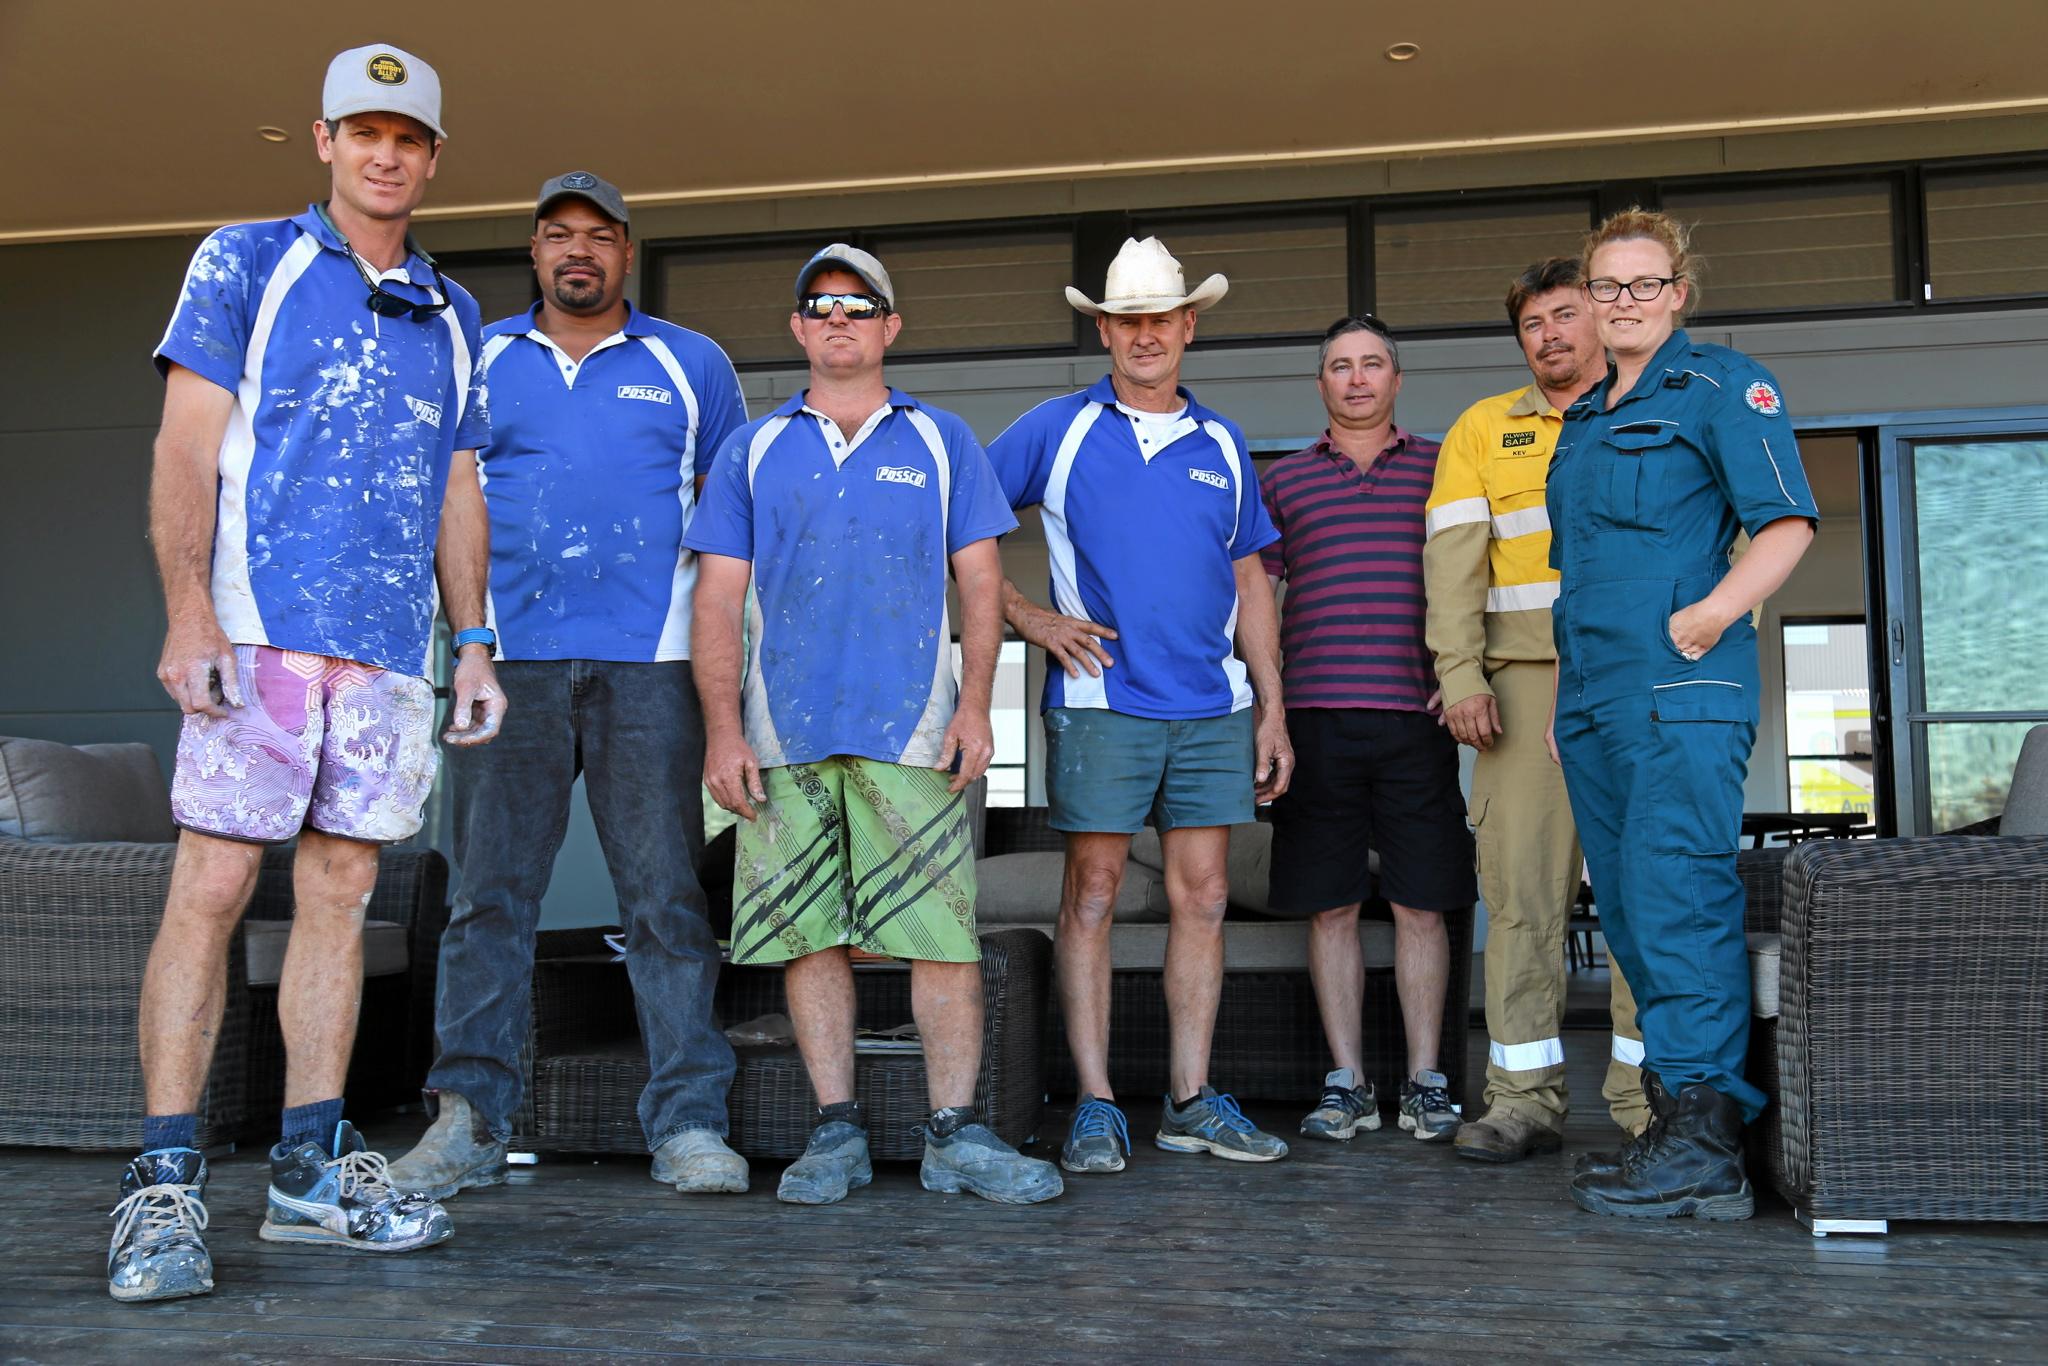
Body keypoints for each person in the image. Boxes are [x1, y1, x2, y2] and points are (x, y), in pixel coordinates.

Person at [111, 45, 498, 1304]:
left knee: (341, 895)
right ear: (325, 139)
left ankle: (309, 1173)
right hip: (256, 634)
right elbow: (184, 445)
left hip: (387, 653)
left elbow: (454, 480)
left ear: (433, 159)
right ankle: (165, 1184)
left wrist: (473, 637)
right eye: (364, 131)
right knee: (213, 884)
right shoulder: (243, 261)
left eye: (410, 137)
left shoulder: (452, 309)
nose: (387, 153)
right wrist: (187, 615)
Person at [386, 173, 751, 1201]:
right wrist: (464, 641)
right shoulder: (481, 357)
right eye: (558, 235)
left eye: (598, 236)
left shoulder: (692, 365)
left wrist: (730, 687)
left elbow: (728, 532)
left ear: (626, 253)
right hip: (505, 665)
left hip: (655, 666)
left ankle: (686, 1122)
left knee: (667, 901)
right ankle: (468, 1121)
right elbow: (441, 503)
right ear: (534, 251)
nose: (577, 252)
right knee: (487, 900)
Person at [686, 244, 1061, 1207]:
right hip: (780, 740)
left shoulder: (941, 441)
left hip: (914, 731)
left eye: (861, 304)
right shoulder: (753, 449)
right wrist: (723, 733)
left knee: (939, 939)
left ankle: (956, 1137)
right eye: (821, 305)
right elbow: (717, 604)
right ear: (801, 330)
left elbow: (981, 584)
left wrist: (980, 705)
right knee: (808, 937)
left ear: (891, 326)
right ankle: (835, 1132)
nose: (840, 318)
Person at [989, 237, 1293, 1174]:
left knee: (1203, 897)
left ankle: (1191, 1101)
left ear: (1188, 326)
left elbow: (1251, 580)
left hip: (1212, 703)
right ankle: (1094, 1103)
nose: (1146, 335)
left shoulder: (1223, 442)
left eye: (1162, 317)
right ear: (1104, 330)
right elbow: (958, 528)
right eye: (1128, 320)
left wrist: (1272, 710)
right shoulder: (1057, 427)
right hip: (1101, 699)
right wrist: (1027, 617)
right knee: (1093, 896)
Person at [1550, 210, 1817, 1220]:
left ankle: (1705, 1141)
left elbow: (1784, 522)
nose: (1623, 302)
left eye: (1643, 284)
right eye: (1606, 286)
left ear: (1677, 292)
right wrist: (1566, 700)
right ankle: (1677, 1122)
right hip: (1592, 700)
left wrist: (1709, 613)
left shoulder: (1718, 388)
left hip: (1677, 692)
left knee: (1676, 895)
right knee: (1624, 906)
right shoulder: (1582, 418)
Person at [1424, 260, 1651, 1164]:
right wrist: (1461, 673)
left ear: (1603, 317)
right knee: (1519, 898)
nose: (1551, 333)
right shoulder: (1483, 429)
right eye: (1533, 325)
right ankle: (1522, 1099)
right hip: (1518, 688)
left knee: (1645, 897)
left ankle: (1649, 1103)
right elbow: (1453, 564)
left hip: (1636, 682)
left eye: (1568, 314)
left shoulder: (1665, 410)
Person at [1260, 316, 1476, 1147]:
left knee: (1425, 905)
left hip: (1420, 720)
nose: (1356, 379)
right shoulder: (1281, 484)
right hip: (1315, 721)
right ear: (1321, 383)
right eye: (1340, 367)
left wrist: (1463, 680)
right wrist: (1268, 713)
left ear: (1396, 378)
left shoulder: (1444, 468)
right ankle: (1345, 1081)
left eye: (1372, 365)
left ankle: (1427, 1083)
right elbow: (1257, 609)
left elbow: (1476, 580)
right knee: (1331, 907)